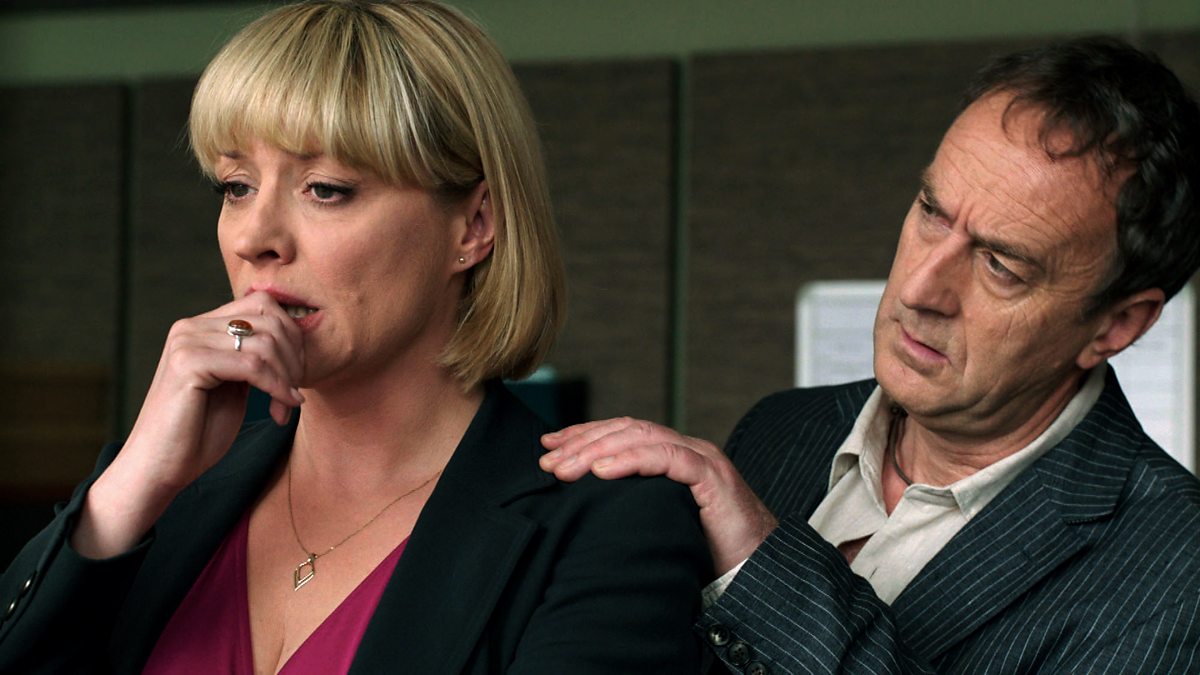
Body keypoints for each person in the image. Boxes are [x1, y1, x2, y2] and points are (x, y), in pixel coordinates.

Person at [0, 2, 710, 673]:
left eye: (326, 188)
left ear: (473, 227)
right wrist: (130, 487)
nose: (254, 238)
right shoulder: (163, 498)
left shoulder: (611, 528)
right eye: (236, 187)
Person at [542, 37, 1200, 673]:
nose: (920, 290)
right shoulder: (782, 428)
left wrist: (761, 566)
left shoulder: (1177, 573)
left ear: (1116, 325)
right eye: (932, 212)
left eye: (1001, 265)